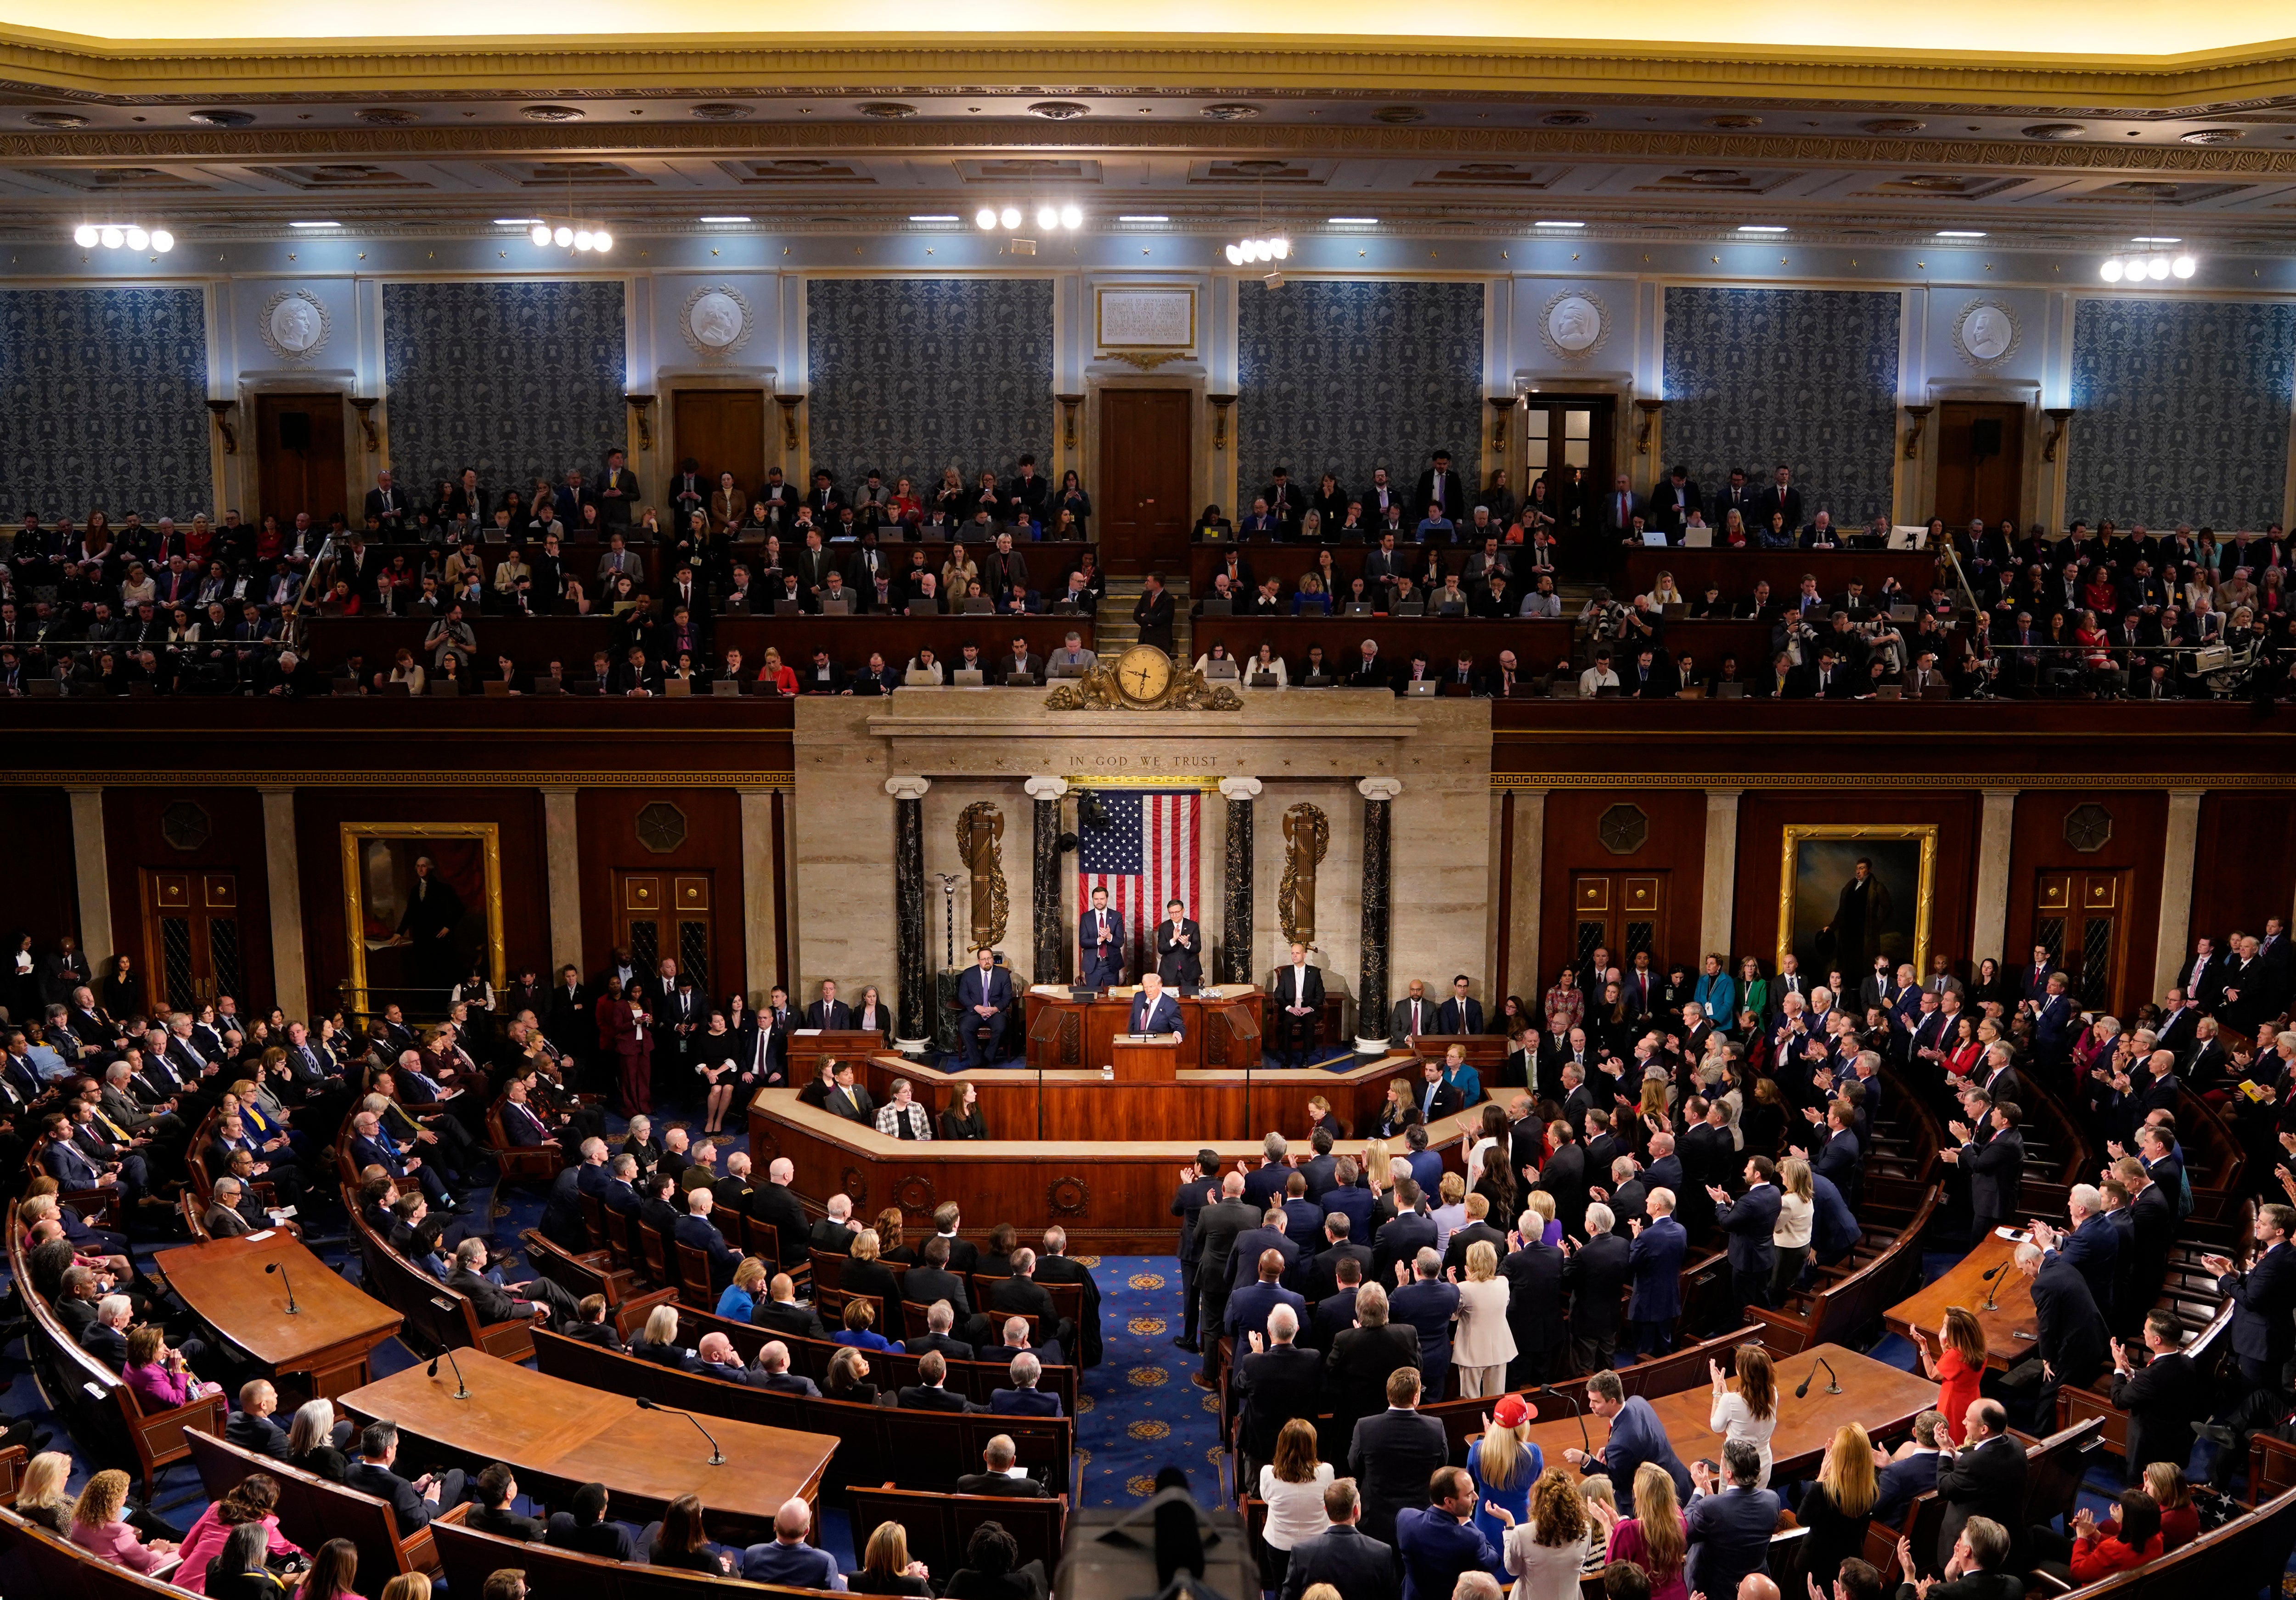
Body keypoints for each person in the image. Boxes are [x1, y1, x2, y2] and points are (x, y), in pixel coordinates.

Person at [1350, 1366, 1450, 1546]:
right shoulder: (1435, 1428)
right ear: (1416, 1398)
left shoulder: (1365, 1427)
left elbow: (1354, 1465)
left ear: (1389, 1395)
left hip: (1375, 1520)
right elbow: (1442, 1464)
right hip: (1420, 1519)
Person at [1933, 1400, 2023, 1572]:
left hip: (1976, 1547)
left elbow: (1944, 1488)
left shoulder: (1976, 1463)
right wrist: (1956, 1455)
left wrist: (1944, 1450)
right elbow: (1988, 1465)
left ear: (1984, 1430)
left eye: (1968, 1420)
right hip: (2008, 1535)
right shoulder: (2015, 1444)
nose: (1963, 1423)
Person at [1683, 1439, 1778, 1600]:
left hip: (1719, 1592)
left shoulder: (1710, 1508)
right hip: (1757, 1591)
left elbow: (1683, 1530)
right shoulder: (1772, 1500)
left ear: (1729, 1473)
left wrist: (1699, 1490)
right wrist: (1714, 1501)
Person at [1397, 1465, 1502, 1600]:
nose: (1476, 1497)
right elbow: (1493, 1563)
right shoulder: (1471, 1539)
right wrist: (1468, 1523)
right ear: (1449, 1502)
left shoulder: (1405, 1519)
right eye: (1469, 1494)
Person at [1258, 1418, 1338, 1594]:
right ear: (1312, 1446)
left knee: (1282, 1591)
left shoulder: (1268, 1474)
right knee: (1313, 1593)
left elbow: (1266, 1499)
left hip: (1279, 1544)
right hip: (1316, 1545)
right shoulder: (1327, 1472)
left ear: (1281, 1446)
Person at [1795, 1424, 1878, 1590]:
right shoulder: (1871, 1490)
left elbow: (1801, 1519)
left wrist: (1821, 1478)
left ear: (1839, 1459)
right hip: (1849, 1569)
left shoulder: (1822, 1491)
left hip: (1815, 1567)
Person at [2027, 1488, 2161, 1585]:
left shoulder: (2111, 1550)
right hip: (2102, 1568)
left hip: (2087, 1586)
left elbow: (2078, 1572)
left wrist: (2082, 1537)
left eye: (2121, 1508)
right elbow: (2120, 1545)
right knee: (2037, 1531)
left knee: (2038, 1563)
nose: (2118, 1507)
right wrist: (2094, 1534)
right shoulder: (2155, 1539)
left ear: (2129, 1520)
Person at [1498, 1467, 1591, 1600]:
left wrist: (1510, 1529)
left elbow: (1513, 1569)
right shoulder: (1585, 1530)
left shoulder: (1522, 1533)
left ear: (1540, 1501)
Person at [69, 1468, 180, 1575]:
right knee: (182, 1552)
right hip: (129, 1576)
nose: (126, 1499)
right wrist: (159, 1551)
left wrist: (152, 1549)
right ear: (114, 1500)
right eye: (125, 1494)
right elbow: (144, 1564)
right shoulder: (119, 1530)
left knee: (174, 1546)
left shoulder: (77, 1519)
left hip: (101, 1570)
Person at [1604, 1463, 1690, 1600]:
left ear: (1640, 1495)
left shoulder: (1629, 1531)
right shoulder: (1678, 1517)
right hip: (1679, 1595)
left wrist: (1607, 1526)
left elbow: (1613, 1572)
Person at [1467, 1394, 1541, 1552]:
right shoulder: (1533, 1453)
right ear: (1523, 1426)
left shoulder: (1478, 1450)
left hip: (1486, 1520)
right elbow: (1534, 1477)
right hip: (1520, 1521)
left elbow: (1471, 1480)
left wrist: (1490, 1441)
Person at [1707, 1344, 1778, 1489]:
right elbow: (1745, 1407)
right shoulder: (1773, 1394)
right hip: (1763, 1463)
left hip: (1736, 1468)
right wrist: (1725, 1391)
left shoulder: (1730, 1401)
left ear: (1741, 1372)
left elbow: (1716, 1426)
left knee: (1729, 1507)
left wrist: (1717, 1391)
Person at [1897, 1516, 2019, 1600]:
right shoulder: (2015, 1586)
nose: (1957, 1545)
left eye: (1961, 1539)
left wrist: (1909, 1575)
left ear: (1967, 1551)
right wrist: (1952, 1580)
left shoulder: (1940, 1594)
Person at [742, 1497, 846, 1589]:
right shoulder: (824, 1562)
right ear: (807, 1531)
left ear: (775, 1526)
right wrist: (843, 1582)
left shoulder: (752, 1554)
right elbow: (837, 1594)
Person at [1921, 1308, 1987, 1444]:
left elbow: (1933, 1374)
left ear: (1955, 1332)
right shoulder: (1979, 1347)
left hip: (1952, 1404)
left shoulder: (1956, 1354)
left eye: (1945, 1325)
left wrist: (1924, 1347)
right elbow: (1952, 1367)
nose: (1943, 1327)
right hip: (1972, 1398)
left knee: (1950, 1437)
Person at [942, 1520, 1050, 1600]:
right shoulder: (1025, 1583)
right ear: (1012, 1553)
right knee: (1037, 1565)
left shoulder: (961, 1579)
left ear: (973, 1552)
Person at [645, 1493, 736, 1575]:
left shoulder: (655, 1548)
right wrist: (723, 1567)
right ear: (695, 1525)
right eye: (700, 1513)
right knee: (729, 1556)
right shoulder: (708, 1558)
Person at [854, 1521, 934, 1595]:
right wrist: (921, 1578)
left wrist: (906, 1572)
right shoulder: (916, 1585)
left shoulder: (855, 1579)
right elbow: (930, 1597)